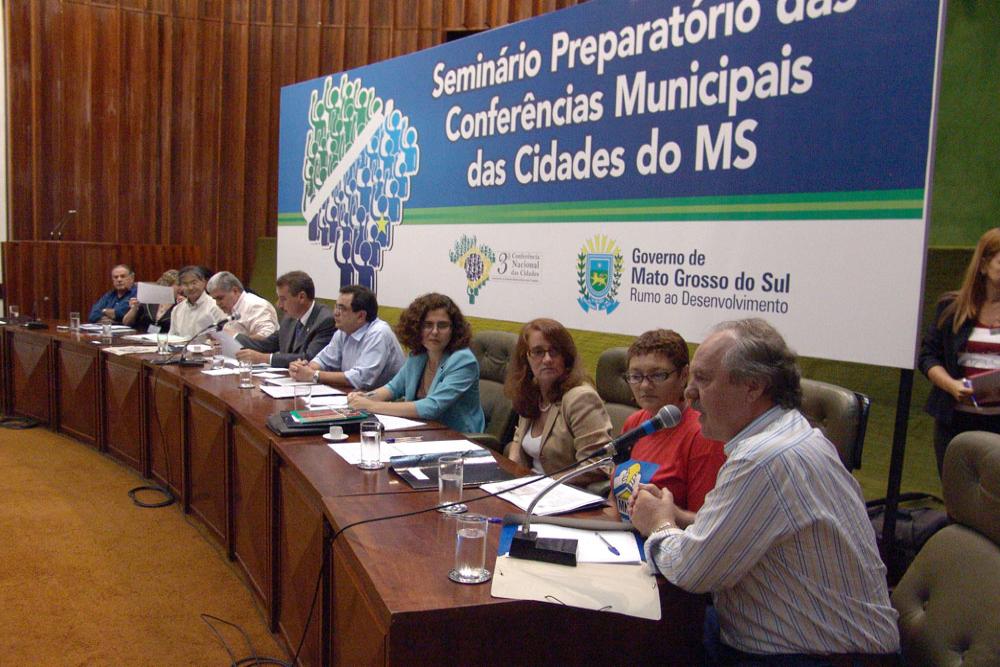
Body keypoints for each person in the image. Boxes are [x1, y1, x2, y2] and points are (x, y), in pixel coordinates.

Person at [629, 319, 899, 662]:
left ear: (753, 386)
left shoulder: (762, 458)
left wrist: (659, 525)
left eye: (704, 379)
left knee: (637, 640)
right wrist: (678, 518)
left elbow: (692, 572)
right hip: (804, 642)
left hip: (814, 656)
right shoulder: (790, 432)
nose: (690, 393)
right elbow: (733, 534)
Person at [618, 329, 725, 525]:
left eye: (658, 375)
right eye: (636, 376)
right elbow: (615, 502)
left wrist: (665, 513)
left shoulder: (703, 434)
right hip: (621, 536)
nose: (644, 386)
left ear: (684, 375)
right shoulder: (634, 423)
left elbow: (706, 524)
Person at [919, 227, 1000, 476]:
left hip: (997, 424)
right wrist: (951, 385)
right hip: (955, 423)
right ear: (984, 265)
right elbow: (928, 356)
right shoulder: (952, 307)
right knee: (957, 491)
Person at [347, 293, 484, 433]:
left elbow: (432, 407)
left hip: (457, 436)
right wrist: (365, 397)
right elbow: (393, 388)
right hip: (422, 431)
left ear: (454, 329)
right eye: (428, 325)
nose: (435, 332)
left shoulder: (463, 360)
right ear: (416, 327)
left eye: (442, 325)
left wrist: (370, 406)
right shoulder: (418, 355)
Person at [504, 318, 613, 484]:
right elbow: (518, 440)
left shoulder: (580, 398)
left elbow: (596, 465)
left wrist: (543, 483)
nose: (547, 359)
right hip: (530, 487)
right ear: (526, 358)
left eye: (554, 351)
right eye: (538, 352)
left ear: (565, 357)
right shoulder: (531, 391)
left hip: (565, 491)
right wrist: (511, 472)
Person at [289, 285, 403, 391]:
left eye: (342, 309)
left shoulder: (379, 333)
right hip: (357, 396)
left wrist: (314, 375)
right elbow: (324, 360)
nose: (335, 313)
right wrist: (303, 368)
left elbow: (360, 378)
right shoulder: (344, 330)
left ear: (361, 316)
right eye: (336, 307)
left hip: (387, 401)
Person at [235, 271, 335, 368]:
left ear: (301, 297)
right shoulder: (289, 319)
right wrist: (233, 337)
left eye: (283, 299)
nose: (278, 305)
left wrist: (264, 358)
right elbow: (266, 345)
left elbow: (310, 358)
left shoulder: (325, 321)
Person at [206, 271, 278, 340]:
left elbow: (267, 338)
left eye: (220, 298)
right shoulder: (226, 308)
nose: (218, 303)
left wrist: (234, 337)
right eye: (215, 299)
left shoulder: (257, 305)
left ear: (235, 291)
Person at [168, 265, 226, 339]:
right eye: (185, 284)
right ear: (180, 286)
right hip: (180, 346)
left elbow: (222, 338)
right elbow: (172, 337)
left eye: (194, 283)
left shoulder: (216, 306)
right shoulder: (177, 309)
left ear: (204, 282)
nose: (190, 287)